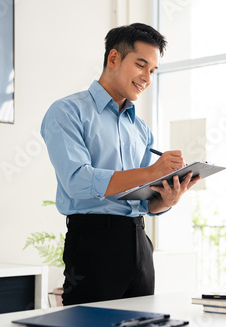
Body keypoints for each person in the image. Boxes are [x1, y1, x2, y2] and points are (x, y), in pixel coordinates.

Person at [40, 23, 200, 306]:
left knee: (141, 326)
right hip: (92, 244)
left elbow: (140, 202)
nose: (147, 77)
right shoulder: (67, 111)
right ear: (113, 58)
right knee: (88, 326)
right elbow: (77, 180)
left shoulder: (141, 129)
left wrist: (168, 199)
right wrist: (153, 171)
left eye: (152, 70)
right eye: (141, 65)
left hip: (139, 244)